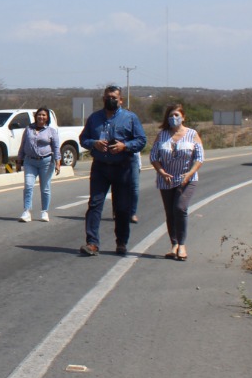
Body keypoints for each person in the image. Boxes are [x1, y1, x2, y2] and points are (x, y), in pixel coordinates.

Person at [79, 85, 146, 257]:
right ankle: (92, 243)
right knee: (94, 204)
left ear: (120, 100)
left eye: (114, 98)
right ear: (103, 99)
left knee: (122, 208)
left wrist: (125, 146)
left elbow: (141, 140)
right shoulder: (94, 118)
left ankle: (121, 242)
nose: (110, 100)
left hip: (122, 167)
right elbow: (83, 138)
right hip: (100, 167)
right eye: (107, 97)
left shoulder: (130, 118)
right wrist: (94, 143)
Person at [149, 103, 204, 261]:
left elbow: (199, 157)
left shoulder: (192, 134)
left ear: (183, 117)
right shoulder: (162, 135)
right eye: (170, 115)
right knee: (170, 212)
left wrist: (189, 174)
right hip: (166, 179)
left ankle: (182, 244)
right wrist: (161, 172)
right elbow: (153, 156)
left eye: (176, 115)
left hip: (187, 179)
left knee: (180, 208)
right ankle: (174, 244)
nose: (173, 118)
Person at [16, 107, 61, 222]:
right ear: (35, 116)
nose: (41, 117)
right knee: (28, 186)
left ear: (47, 118)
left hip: (46, 162)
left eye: (44, 115)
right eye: (39, 115)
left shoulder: (51, 131)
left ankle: (44, 212)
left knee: (45, 188)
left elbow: (56, 148)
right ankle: (26, 211)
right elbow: (23, 145)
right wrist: (19, 161)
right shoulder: (28, 129)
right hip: (29, 162)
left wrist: (58, 162)